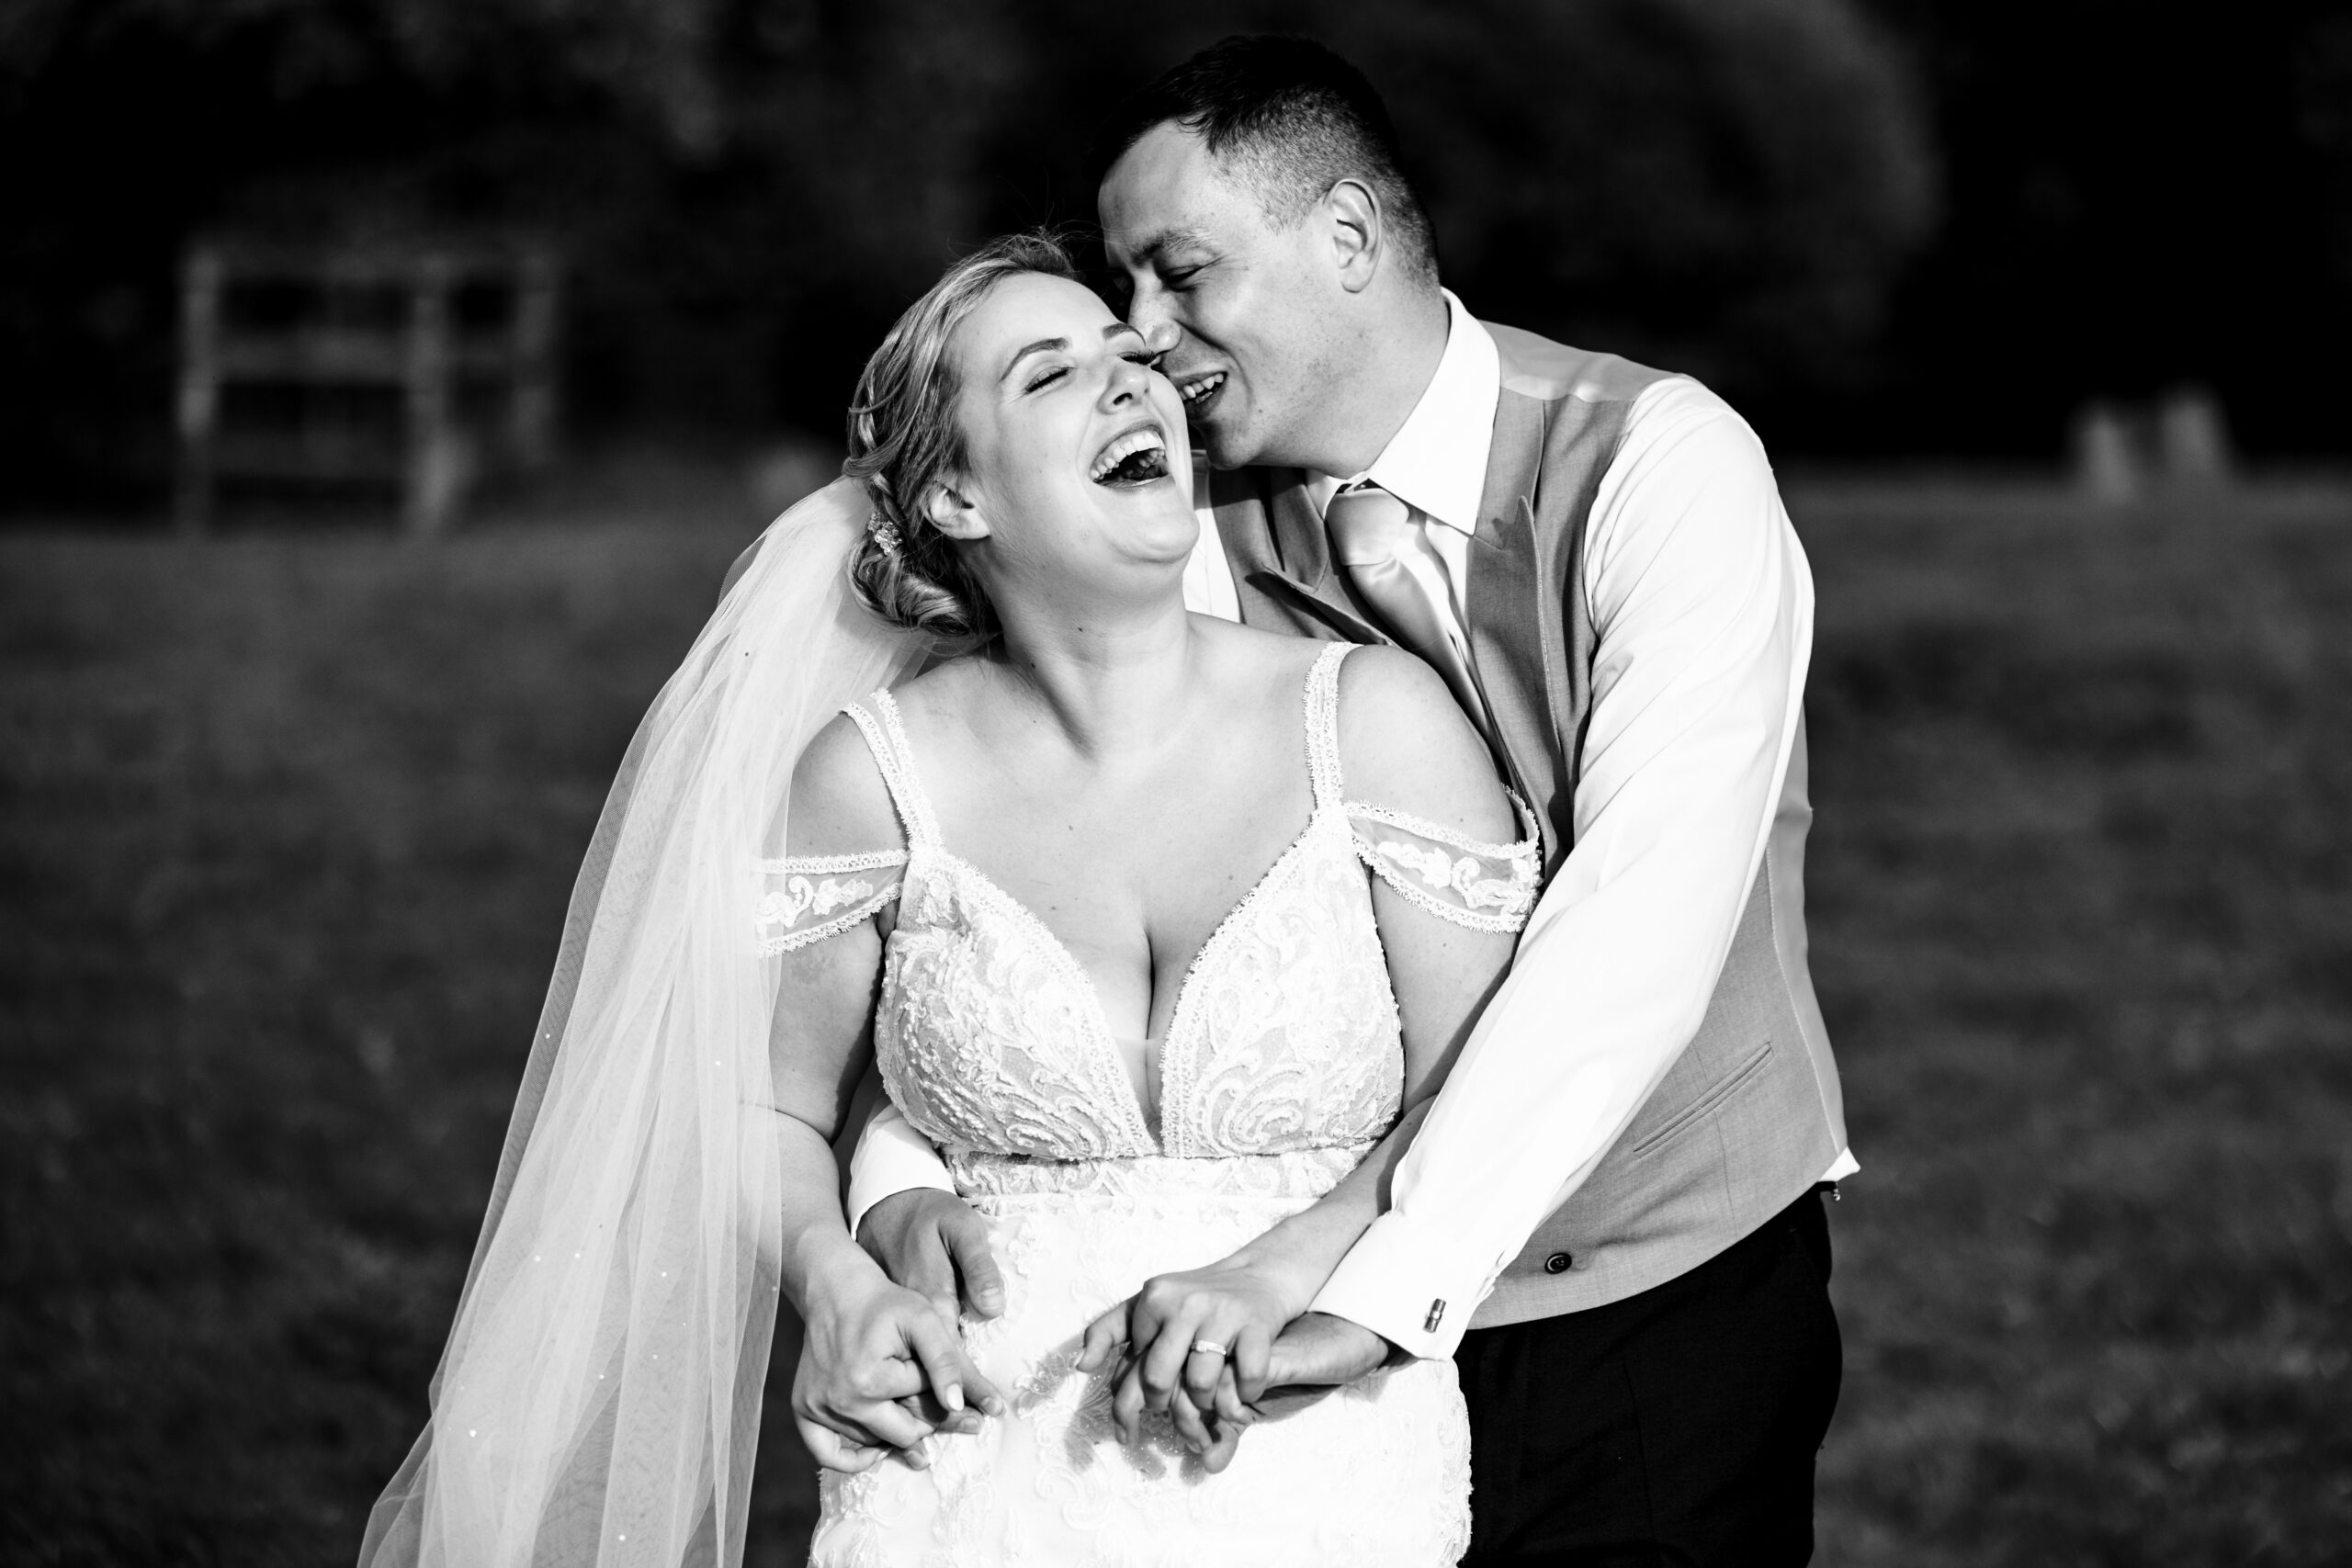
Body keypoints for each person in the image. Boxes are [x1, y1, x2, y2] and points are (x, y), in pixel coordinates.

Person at [357, 229, 1538, 1566]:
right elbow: (761, 1106)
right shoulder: (872, 781)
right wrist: (837, 1279)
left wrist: (1295, 1270)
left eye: (1134, 359)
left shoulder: (1375, 727)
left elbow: (1487, 1094)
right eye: (1052, 375)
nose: (1134, 385)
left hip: (1318, 1463)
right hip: (966, 1476)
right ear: (960, 499)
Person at [834, 36, 1855, 1566]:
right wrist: (897, 1184)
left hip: (1648, 1296)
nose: (1145, 339)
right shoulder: (1173, 530)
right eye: (1125, 296)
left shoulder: (1663, 466)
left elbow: (1637, 929)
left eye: (1180, 276)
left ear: (1349, 241)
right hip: (1258, 1351)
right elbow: (1001, 892)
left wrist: (1368, 1283)